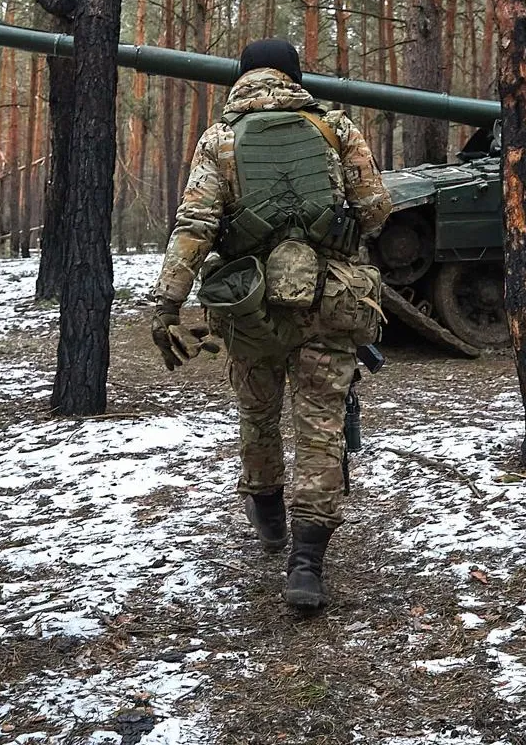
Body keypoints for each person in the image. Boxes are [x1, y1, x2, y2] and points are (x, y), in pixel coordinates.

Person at [149, 38, 392, 610]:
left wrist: (167, 304)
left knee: (257, 415)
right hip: (329, 302)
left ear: (241, 79)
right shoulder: (336, 129)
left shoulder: (220, 139)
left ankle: (269, 519)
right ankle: (306, 562)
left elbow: (194, 227)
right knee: (320, 427)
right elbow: (376, 209)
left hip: (248, 306)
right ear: (294, 76)